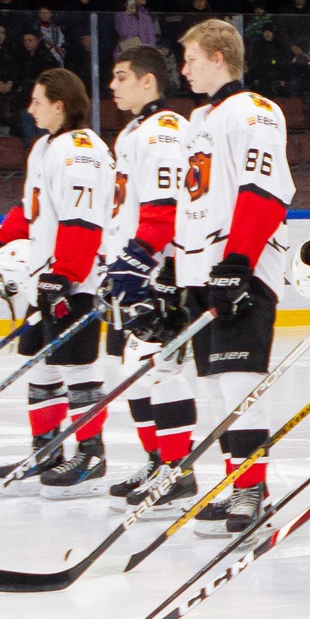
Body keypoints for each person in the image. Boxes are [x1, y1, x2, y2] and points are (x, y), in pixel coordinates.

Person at [171, 20, 295, 536]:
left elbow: (264, 190)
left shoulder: (254, 111)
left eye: (192, 59)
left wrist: (238, 261)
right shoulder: (201, 117)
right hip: (205, 267)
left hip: (240, 266)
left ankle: (251, 489)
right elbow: (191, 201)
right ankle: (238, 481)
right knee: (218, 389)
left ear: (220, 57)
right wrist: (174, 269)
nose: (184, 69)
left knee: (242, 382)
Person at [0, 67, 116, 498]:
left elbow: (83, 220)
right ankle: (47, 451)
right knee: (40, 365)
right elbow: (30, 210)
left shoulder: (81, 149)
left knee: (79, 367)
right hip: (46, 278)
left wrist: (66, 274)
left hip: (73, 280)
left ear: (59, 105)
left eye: (37, 101)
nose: (30, 108)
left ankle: (90, 454)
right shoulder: (44, 146)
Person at [98, 44, 200, 508]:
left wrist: (140, 261)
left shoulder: (164, 131)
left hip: (161, 271)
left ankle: (178, 470)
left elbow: (167, 210)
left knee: (162, 371)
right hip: (134, 267)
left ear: (148, 81)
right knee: (133, 371)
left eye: (121, 76)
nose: (112, 85)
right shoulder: (135, 131)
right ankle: (158, 459)